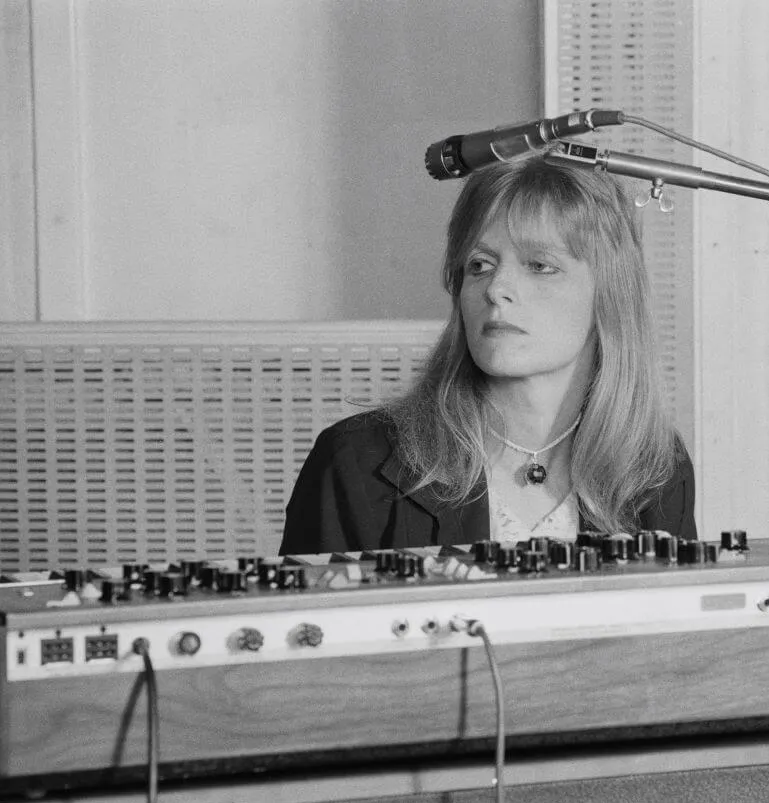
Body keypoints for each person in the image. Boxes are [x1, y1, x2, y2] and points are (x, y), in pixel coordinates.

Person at [279, 150, 696, 554]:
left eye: (539, 266)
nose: (495, 289)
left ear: (611, 293)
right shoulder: (356, 462)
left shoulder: (655, 466)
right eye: (479, 265)